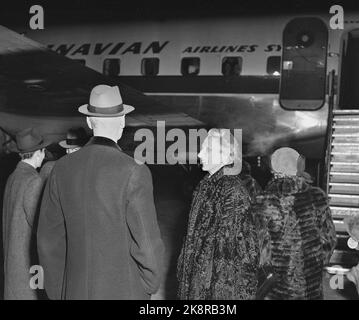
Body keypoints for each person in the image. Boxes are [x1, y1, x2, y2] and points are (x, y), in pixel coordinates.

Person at [37, 84, 164, 299]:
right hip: (124, 290)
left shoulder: (61, 168)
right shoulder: (134, 170)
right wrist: (148, 285)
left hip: (74, 290)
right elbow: (147, 244)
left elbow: (49, 240)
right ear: (123, 121)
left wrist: (60, 289)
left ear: (88, 121)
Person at [177, 128, 259, 299]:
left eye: (207, 149)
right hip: (198, 285)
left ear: (226, 156)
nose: (200, 154)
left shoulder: (232, 191)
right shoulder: (207, 184)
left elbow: (230, 261)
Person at [253, 147, 337, 299]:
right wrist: (317, 262)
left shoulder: (263, 201)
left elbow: (259, 248)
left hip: (279, 284)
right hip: (311, 278)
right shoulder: (318, 196)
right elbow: (329, 239)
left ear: (273, 170)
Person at [2, 128, 49, 299]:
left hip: (12, 267)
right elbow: (40, 227)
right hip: (28, 271)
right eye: (44, 151)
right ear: (39, 153)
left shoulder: (13, 177)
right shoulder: (33, 180)